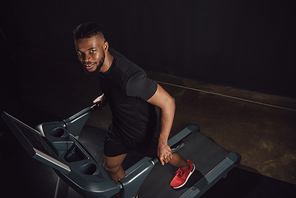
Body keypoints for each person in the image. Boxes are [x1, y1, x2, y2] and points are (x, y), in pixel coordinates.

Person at [73, 22, 195, 189]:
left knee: (167, 156)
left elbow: (168, 102)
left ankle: (187, 167)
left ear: (105, 46)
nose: (86, 59)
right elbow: (113, 84)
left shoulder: (132, 79)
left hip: (143, 133)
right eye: (81, 53)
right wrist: (106, 96)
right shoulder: (100, 64)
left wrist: (163, 142)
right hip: (119, 129)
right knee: (110, 167)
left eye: (92, 51)